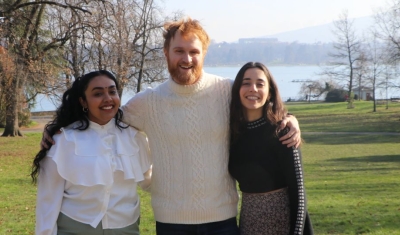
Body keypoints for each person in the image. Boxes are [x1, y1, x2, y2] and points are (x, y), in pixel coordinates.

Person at [41, 18, 301, 235]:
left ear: (204, 54)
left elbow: (260, 106)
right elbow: (103, 114)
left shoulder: (226, 92)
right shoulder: (148, 102)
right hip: (171, 223)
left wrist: (290, 119)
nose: (186, 58)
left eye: (194, 52)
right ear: (166, 53)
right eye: (179, 51)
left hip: (222, 220)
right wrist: (57, 127)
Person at [31, 70, 152, 235]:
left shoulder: (135, 138)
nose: (108, 98)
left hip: (126, 228)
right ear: (83, 101)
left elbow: (150, 182)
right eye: (98, 93)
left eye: (112, 91)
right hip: (73, 229)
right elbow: (48, 200)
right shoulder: (63, 141)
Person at [228, 62, 313, 235]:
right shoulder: (233, 132)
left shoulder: (282, 130)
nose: (253, 89)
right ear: (237, 89)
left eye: (260, 84)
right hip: (248, 223)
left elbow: (299, 194)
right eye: (246, 83)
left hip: (282, 224)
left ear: (270, 92)